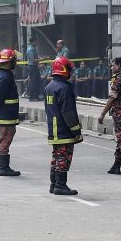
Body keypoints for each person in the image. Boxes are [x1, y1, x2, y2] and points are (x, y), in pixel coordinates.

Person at [45, 56, 83, 196]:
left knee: (56, 156)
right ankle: (60, 185)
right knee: (64, 157)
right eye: (69, 69)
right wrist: (76, 130)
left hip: (53, 128)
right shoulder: (64, 88)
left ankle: (54, 184)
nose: (71, 72)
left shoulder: (49, 87)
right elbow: (68, 112)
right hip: (63, 129)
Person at [0, 48, 22, 177]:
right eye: (14, 60)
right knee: (5, 139)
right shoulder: (5, 77)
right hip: (5, 114)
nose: (16, 63)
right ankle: (3, 167)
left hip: (6, 114)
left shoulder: (4, 75)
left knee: (2, 139)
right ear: (9, 62)